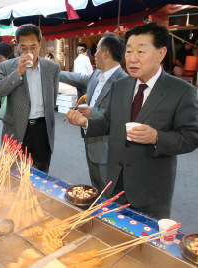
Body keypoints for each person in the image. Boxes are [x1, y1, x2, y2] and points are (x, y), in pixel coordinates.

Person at [67, 23, 198, 219]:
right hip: (115, 182)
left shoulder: (182, 91)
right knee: (112, 235)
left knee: (144, 244)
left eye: (141, 51)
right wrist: (85, 123)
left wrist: (156, 137)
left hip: (151, 190)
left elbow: (191, 137)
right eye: (128, 51)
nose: (132, 58)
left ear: (161, 53)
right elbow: (108, 122)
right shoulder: (121, 86)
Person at [60, 33, 128, 192]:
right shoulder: (97, 74)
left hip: (108, 150)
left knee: (109, 193)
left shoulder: (124, 82)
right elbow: (78, 78)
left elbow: (123, 116)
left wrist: (94, 111)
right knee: (97, 189)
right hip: (91, 142)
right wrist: (54, 71)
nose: (93, 54)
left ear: (106, 53)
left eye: (96, 50)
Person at [0, 24, 60, 173]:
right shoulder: (7, 67)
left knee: (41, 174)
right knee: (13, 175)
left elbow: (52, 99)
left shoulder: (52, 68)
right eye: (24, 48)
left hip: (42, 130)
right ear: (17, 47)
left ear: (40, 45)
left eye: (33, 47)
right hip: (16, 129)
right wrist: (18, 73)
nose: (29, 52)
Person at [0, 42, 15, 120]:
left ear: (7, 56)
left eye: (0, 57)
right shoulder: (3, 66)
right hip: (4, 99)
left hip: (12, 102)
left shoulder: (15, 67)